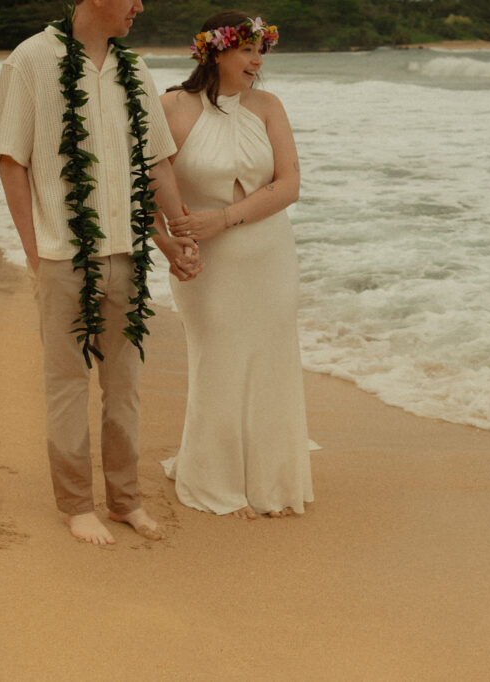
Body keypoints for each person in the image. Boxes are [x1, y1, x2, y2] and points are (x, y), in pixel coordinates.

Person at [0, 0, 201, 545]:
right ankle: (77, 504)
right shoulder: (30, 61)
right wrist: (36, 254)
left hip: (129, 253)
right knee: (66, 385)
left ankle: (125, 500)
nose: (139, 5)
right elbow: (12, 160)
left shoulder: (136, 70)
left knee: (125, 387)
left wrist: (177, 236)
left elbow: (155, 163)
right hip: (65, 255)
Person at [158, 11, 313, 519]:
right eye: (246, 50)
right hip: (208, 263)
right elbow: (145, 186)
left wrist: (224, 219)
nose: (256, 60)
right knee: (219, 358)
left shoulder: (268, 106)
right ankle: (216, 480)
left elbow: (289, 184)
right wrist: (173, 242)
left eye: (260, 50)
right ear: (215, 51)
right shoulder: (170, 108)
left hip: (269, 254)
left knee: (270, 359)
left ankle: (269, 480)